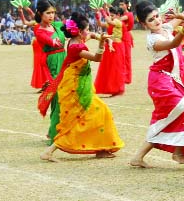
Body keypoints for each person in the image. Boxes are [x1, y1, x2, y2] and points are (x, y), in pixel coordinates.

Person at [130, 1, 184, 168]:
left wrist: (179, 15)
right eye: (151, 20)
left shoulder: (166, 28)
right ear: (144, 24)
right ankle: (163, 154)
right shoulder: (153, 39)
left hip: (171, 80)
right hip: (161, 83)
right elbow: (173, 44)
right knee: (182, 114)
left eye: (157, 16)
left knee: (176, 117)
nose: (157, 21)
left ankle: (175, 152)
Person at [40, 12, 124, 162]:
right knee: (76, 119)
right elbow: (97, 58)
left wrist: (103, 39)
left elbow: (92, 34)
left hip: (79, 83)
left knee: (98, 113)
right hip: (75, 87)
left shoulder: (77, 38)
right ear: (79, 31)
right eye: (86, 29)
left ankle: (101, 149)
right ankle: (48, 152)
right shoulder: (76, 47)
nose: (88, 31)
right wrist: (102, 44)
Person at [34, 0, 66, 143]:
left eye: (53, 12)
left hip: (65, 60)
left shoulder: (57, 25)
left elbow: (74, 29)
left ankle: (55, 130)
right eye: (48, 13)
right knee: (57, 99)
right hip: (52, 63)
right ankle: (54, 136)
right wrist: (53, 41)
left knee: (67, 96)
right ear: (40, 14)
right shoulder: (39, 30)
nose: (51, 15)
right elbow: (47, 40)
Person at [94, 6, 126, 96]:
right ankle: (111, 88)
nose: (111, 17)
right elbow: (100, 24)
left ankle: (117, 89)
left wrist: (103, 11)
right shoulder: (113, 22)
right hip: (109, 46)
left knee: (116, 67)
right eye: (110, 15)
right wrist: (98, 15)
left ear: (117, 15)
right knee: (109, 68)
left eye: (113, 15)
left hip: (117, 46)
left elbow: (109, 21)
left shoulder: (118, 22)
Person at [18, 6, 49, 90]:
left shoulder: (46, 22)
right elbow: (25, 22)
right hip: (37, 44)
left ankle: (47, 83)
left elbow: (32, 14)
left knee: (44, 63)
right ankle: (43, 84)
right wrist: (21, 12)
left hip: (44, 43)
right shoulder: (36, 22)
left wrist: (27, 8)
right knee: (38, 64)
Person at [119, 0, 134, 84]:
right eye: (120, 4)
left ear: (127, 5)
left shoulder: (129, 15)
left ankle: (127, 78)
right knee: (121, 58)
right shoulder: (121, 14)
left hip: (126, 37)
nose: (120, 6)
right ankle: (122, 76)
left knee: (126, 58)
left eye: (122, 4)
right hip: (119, 37)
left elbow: (119, 19)